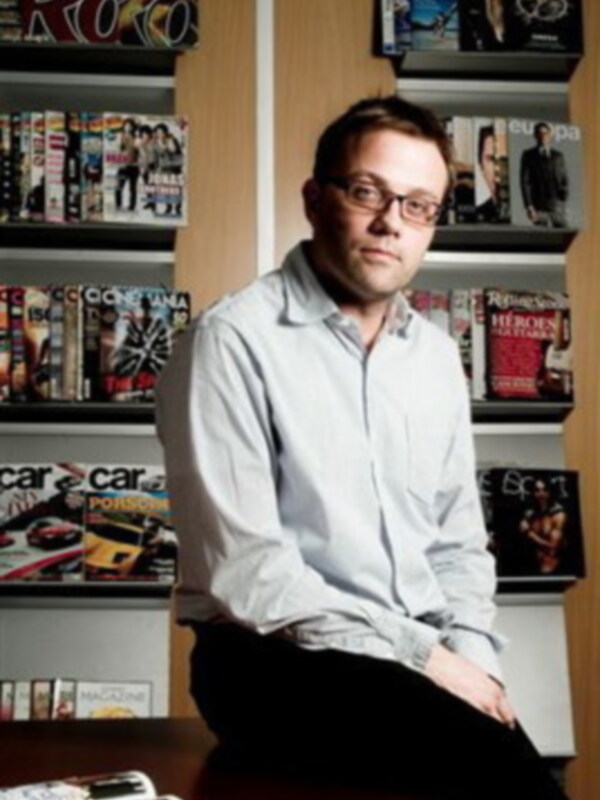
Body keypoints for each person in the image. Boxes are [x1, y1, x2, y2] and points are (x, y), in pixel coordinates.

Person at [156, 95, 570, 799]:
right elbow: (250, 576)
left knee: (513, 771)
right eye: (367, 192)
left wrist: (474, 661)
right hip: (270, 659)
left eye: (418, 205)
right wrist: (426, 658)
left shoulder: (435, 357)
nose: (391, 223)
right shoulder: (230, 342)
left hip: (416, 658)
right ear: (315, 200)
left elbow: (458, 547)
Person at [520, 121, 569, 228]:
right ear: (535, 136)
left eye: (546, 133)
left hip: (556, 204)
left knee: (562, 231)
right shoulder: (528, 155)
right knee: (542, 233)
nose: (543, 136)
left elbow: (564, 178)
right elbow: (525, 182)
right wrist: (529, 206)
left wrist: (564, 198)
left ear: (550, 135)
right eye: (540, 133)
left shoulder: (558, 156)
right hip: (538, 205)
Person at [519, 478, 567, 575]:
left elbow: (553, 546)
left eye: (545, 490)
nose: (541, 494)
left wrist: (529, 534)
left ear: (550, 492)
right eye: (537, 490)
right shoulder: (530, 513)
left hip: (551, 563)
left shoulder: (558, 515)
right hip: (532, 563)